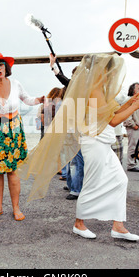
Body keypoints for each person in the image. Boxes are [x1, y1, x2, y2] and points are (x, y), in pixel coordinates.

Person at [20, 54, 139, 241]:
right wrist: (136, 105)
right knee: (92, 184)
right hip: (94, 143)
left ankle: (118, 226)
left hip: (103, 142)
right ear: (102, 70)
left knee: (120, 180)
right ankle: (79, 223)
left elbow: (114, 111)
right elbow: (112, 120)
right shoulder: (94, 90)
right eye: (109, 70)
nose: (112, 74)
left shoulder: (99, 89)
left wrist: (132, 102)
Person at [0, 52, 44, 221]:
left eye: (1, 65)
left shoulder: (15, 83)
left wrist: (39, 99)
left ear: (6, 67)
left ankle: (16, 208)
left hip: (14, 127)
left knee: (12, 170)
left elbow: (27, 99)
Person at [49, 54, 85, 200]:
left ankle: (76, 189)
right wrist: (54, 66)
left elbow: (64, 79)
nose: (73, 78)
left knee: (77, 161)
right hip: (69, 130)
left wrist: (54, 67)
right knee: (70, 159)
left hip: (79, 131)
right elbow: (63, 78)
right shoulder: (73, 88)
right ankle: (72, 185)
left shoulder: (83, 89)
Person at [123, 82, 139, 172]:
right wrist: (133, 125)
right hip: (134, 127)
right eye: (138, 88)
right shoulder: (129, 100)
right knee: (132, 145)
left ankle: (133, 162)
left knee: (136, 146)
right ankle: (131, 164)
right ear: (133, 91)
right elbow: (127, 114)